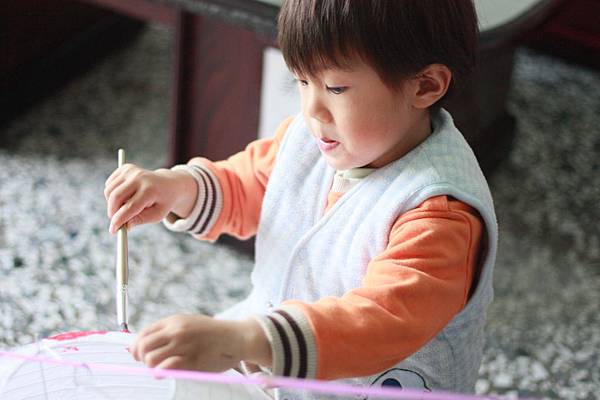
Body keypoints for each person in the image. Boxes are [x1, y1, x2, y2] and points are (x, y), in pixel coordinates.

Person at [104, 0, 497, 396]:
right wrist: (175, 188)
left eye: (336, 88)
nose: (312, 111)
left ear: (425, 86)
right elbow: (246, 184)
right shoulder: (310, 140)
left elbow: (379, 321)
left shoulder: (440, 214)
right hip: (267, 347)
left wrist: (246, 340)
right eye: (302, 82)